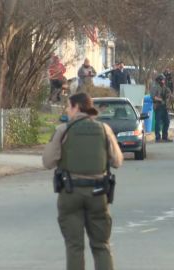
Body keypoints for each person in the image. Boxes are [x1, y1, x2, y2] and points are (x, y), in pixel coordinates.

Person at [42, 92, 123, 270]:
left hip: (70, 192)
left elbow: (48, 162)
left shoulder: (63, 130)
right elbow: (117, 160)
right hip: (98, 193)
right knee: (101, 246)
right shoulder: (104, 129)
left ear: (76, 107)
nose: (67, 111)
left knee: (74, 246)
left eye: (68, 107)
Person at [150, 74, 173, 142]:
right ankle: (157, 137)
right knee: (158, 122)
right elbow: (153, 96)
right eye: (163, 80)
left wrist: (168, 96)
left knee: (167, 122)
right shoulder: (155, 87)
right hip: (158, 106)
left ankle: (165, 137)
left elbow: (168, 92)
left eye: (164, 80)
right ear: (159, 80)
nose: (164, 81)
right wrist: (161, 100)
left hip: (164, 106)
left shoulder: (164, 87)